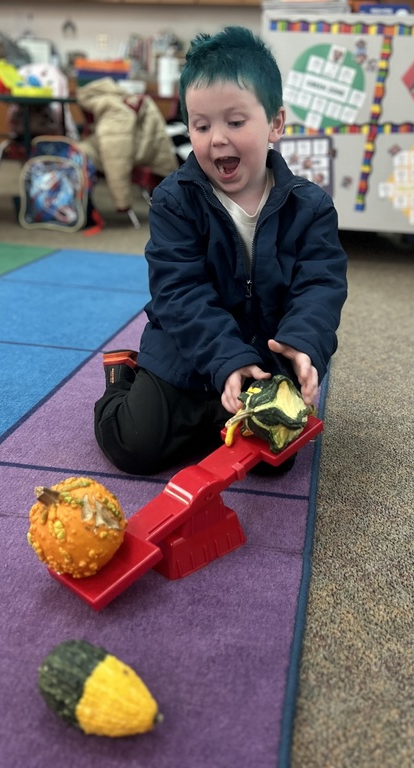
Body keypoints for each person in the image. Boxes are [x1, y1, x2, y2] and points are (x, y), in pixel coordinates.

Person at [93, 25, 348, 476]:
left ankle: (216, 411)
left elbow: (320, 286)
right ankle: (122, 379)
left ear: (275, 122)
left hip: (264, 357)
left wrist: (304, 345)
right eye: (201, 124)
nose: (217, 139)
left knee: (273, 463)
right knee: (133, 446)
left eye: (235, 121)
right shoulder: (175, 199)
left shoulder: (310, 206)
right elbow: (178, 291)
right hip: (187, 350)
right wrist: (224, 359)